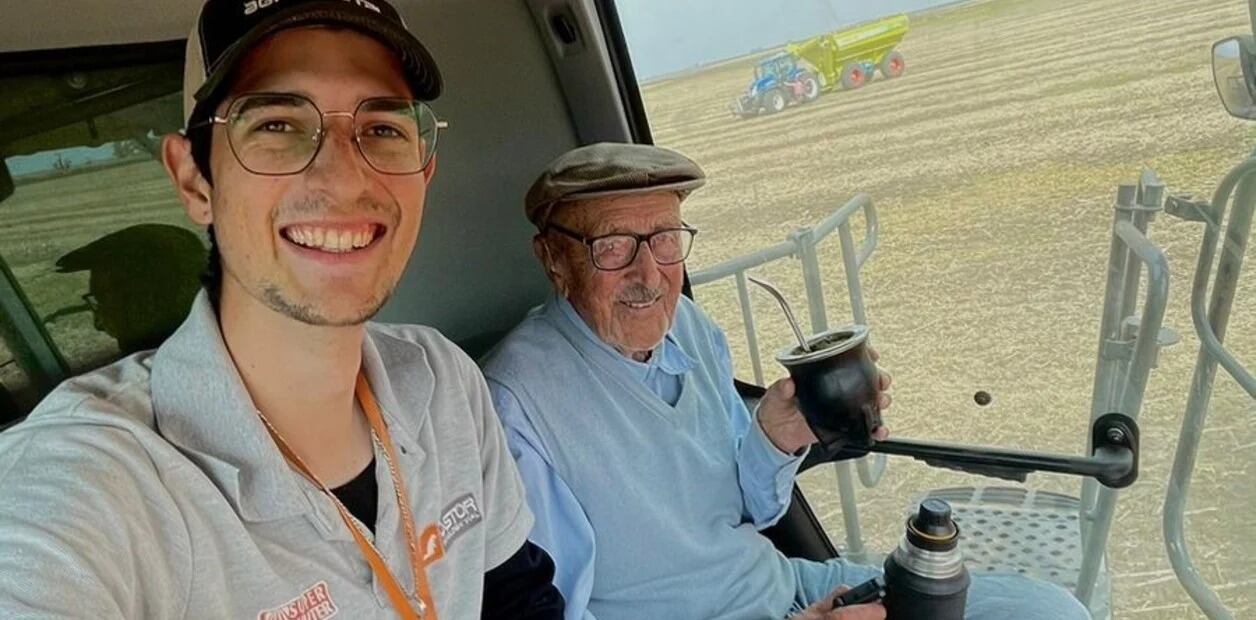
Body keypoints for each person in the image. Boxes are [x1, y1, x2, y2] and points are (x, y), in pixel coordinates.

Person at [0, 1, 563, 618]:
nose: (346, 180)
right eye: (275, 124)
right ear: (193, 180)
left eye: (382, 128)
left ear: (425, 170)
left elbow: (517, 595)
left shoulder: (443, 380)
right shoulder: (93, 488)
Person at [481, 142, 1092, 620]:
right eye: (613, 246)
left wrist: (775, 437)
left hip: (787, 586)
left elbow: (752, 510)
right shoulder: (516, 404)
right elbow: (550, 611)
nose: (650, 274)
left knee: (1048, 610)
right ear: (552, 259)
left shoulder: (689, 326)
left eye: (666, 241)